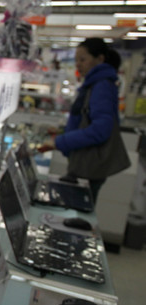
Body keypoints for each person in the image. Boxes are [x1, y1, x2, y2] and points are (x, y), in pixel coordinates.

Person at [41, 38, 121, 203]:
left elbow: (100, 130)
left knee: (76, 213)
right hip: (85, 164)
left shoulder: (101, 86)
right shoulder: (95, 84)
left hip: (89, 166)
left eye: (83, 59)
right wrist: (64, 132)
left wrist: (62, 141)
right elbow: (87, 120)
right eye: (76, 59)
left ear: (100, 59)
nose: (78, 64)